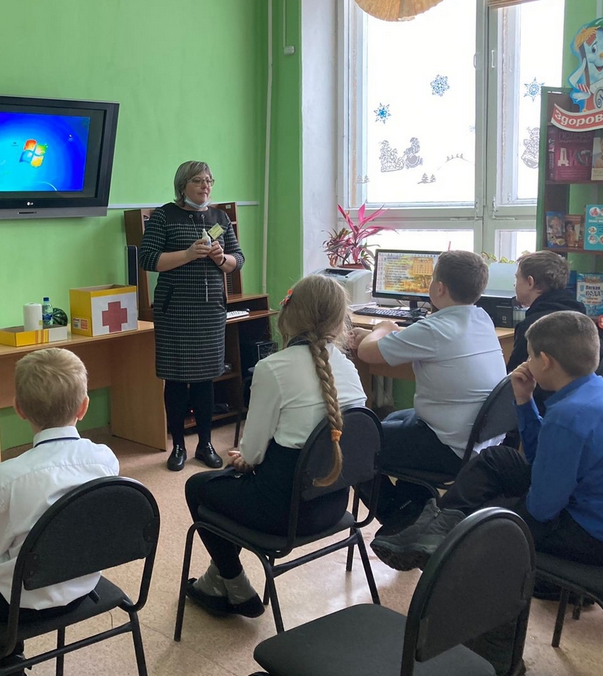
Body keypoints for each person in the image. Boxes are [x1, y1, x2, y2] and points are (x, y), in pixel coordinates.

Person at [373, 311, 603, 571]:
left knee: (484, 518)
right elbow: (539, 458)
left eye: (530, 355)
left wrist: (498, 505)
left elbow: (542, 509)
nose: (526, 362)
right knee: (496, 459)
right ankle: (432, 532)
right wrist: (524, 400)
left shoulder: (568, 416)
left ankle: (439, 546)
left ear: (545, 361)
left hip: (600, 539)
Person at [0, 348, 119, 674]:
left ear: (19, 409)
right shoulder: (105, 459)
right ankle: (8, 659)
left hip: (19, 606)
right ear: (84, 407)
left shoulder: (8, 476)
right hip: (84, 588)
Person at [182, 274, 367, 618]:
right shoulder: (348, 369)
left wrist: (246, 459)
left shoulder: (272, 369)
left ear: (290, 313)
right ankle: (214, 581)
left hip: (281, 516)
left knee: (199, 486)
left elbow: (252, 453)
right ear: (339, 320)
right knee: (230, 488)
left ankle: (235, 584)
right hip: (332, 506)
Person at [353, 250, 506, 529]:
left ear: (439, 288)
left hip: (449, 447)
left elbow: (366, 353)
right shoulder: (481, 318)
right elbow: (421, 339)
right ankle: (417, 504)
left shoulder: (435, 329)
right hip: (478, 441)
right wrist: (382, 336)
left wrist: (383, 328)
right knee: (392, 419)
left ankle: (401, 522)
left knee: (354, 443)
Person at [139, 161, 244, 471]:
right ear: (182, 185)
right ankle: (178, 446)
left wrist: (221, 258)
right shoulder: (164, 216)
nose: (205, 186)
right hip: (175, 311)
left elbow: (238, 260)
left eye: (209, 180)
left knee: (205, 379)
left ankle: (205, 444)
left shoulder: (219, 218)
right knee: (175, 379)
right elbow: (148, 259)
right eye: (198, 180)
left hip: (210, 312)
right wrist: (187, 254)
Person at [510, 251, 586, 412]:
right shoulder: (581, 318)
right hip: (578, 406)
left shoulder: (533, 327)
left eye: (517, 279)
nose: (514, 285)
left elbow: (513, 379)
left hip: (543, 411)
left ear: (530, 282)